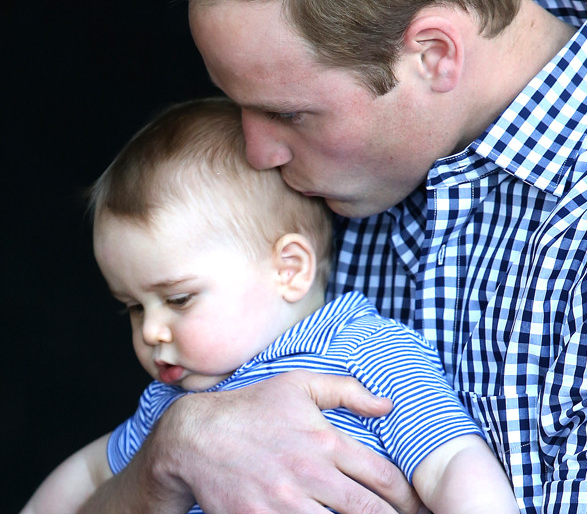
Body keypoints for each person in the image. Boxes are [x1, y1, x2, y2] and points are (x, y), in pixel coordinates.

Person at [76, 0, 587, 513]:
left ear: (433, 54)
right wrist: (168, 456)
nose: (256, 155)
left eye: (290, 113)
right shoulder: (304, 189)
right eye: (238, 106)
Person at [20, 98, 518, 514]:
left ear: (290, 269)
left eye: (178, 299)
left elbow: (453, 462)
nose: (151, 331)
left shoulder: (364, 354)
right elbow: (89, 472)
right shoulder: (174, 405)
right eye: (133, 307)